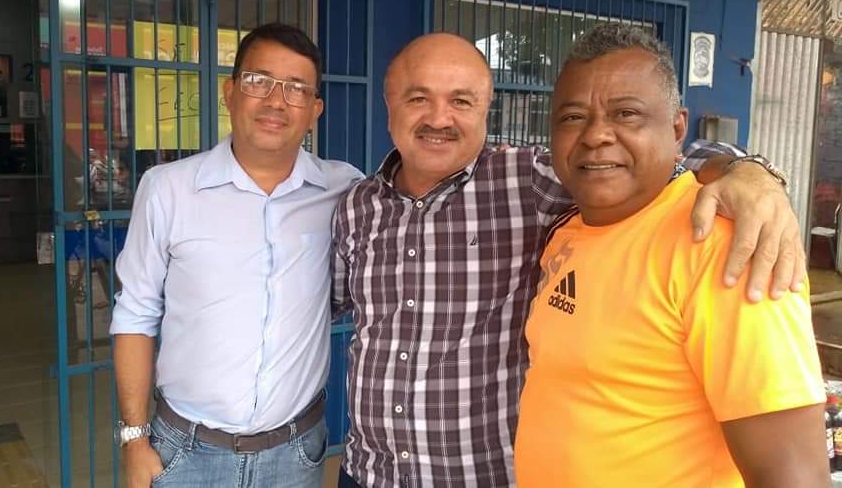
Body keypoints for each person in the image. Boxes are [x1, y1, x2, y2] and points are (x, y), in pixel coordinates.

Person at [331, 32, 805, 487]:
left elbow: (652, 158)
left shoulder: (530, 182)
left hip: (479, 476)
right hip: (369, 471)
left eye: (461, 100)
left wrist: (750, 171)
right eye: (418, 98)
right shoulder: (356, 205)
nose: (439, 118)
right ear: (389, 105)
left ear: (486, 109)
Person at [514, 23, 827, 487]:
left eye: (626, 114)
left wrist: (753, 171)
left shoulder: (725, 247)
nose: (596, 135)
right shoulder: (568, 232)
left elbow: (794, 476)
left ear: (678, 127)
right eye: (573, 117)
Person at [110, 23, 363, 488]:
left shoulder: (345, 190)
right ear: (229, 93)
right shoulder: (168, 189)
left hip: (295, 455)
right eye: (258, 81)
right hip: (182, 453)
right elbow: (135, 314)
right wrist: (134, 439)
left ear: (315, 111)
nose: (276, 101)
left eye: (296, 88)